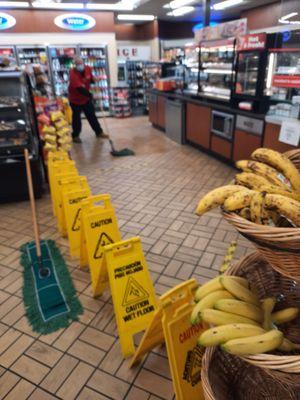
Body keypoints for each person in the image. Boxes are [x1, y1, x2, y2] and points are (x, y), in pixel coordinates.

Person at [68, 56, 108, 143]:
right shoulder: (72, 73)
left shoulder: (88, 68)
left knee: (92, 116)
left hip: (85, 99)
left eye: (81, 63)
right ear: (75, 65)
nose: (80, 65)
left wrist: (94, 80)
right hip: (75, 100)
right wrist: (90, 95)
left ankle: (99, 132)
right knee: (76, 119)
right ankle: (75, 136)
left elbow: (90, 78)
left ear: (83, 63)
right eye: (77, 64)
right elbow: (79, 89)